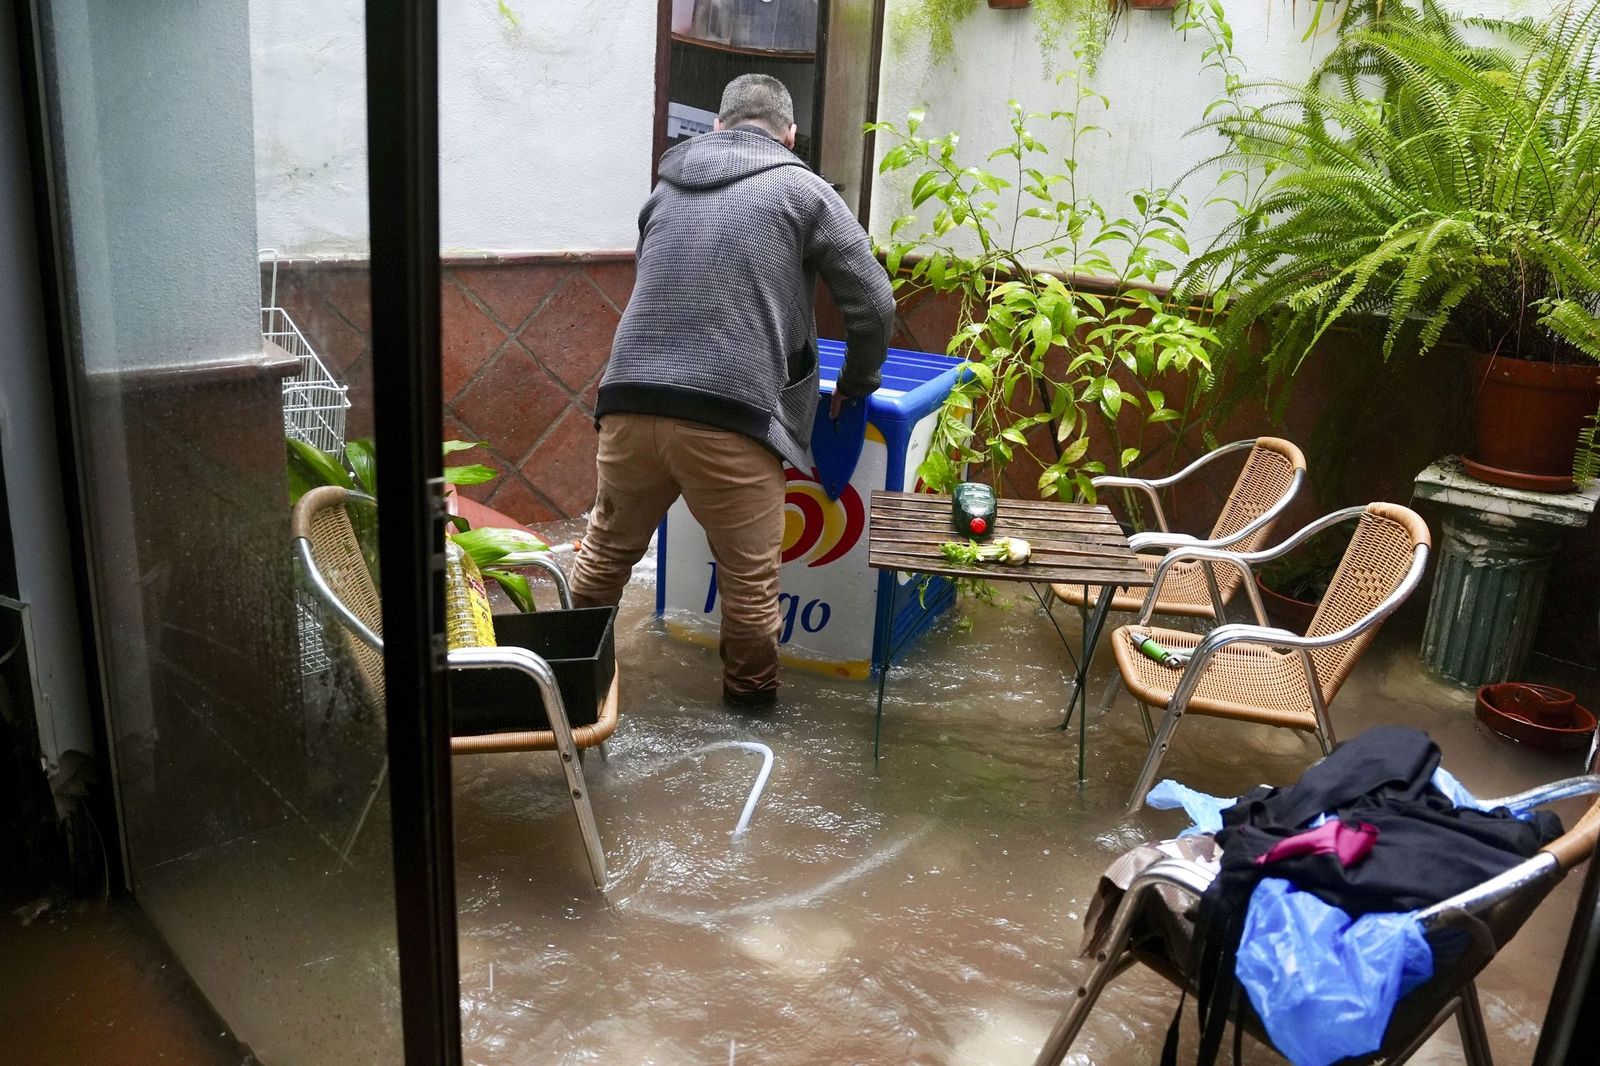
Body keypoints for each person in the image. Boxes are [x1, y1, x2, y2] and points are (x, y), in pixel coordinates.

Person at [569, 73, 896, 709]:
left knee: (605, 556)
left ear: (717, 127)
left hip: (628, 403)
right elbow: (874, 302)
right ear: (790, 135)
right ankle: (750, 722)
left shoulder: (664, 191)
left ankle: (573, 693)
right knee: (750, 588)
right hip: (731, 415)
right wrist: (854, 387)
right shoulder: (804, 190)